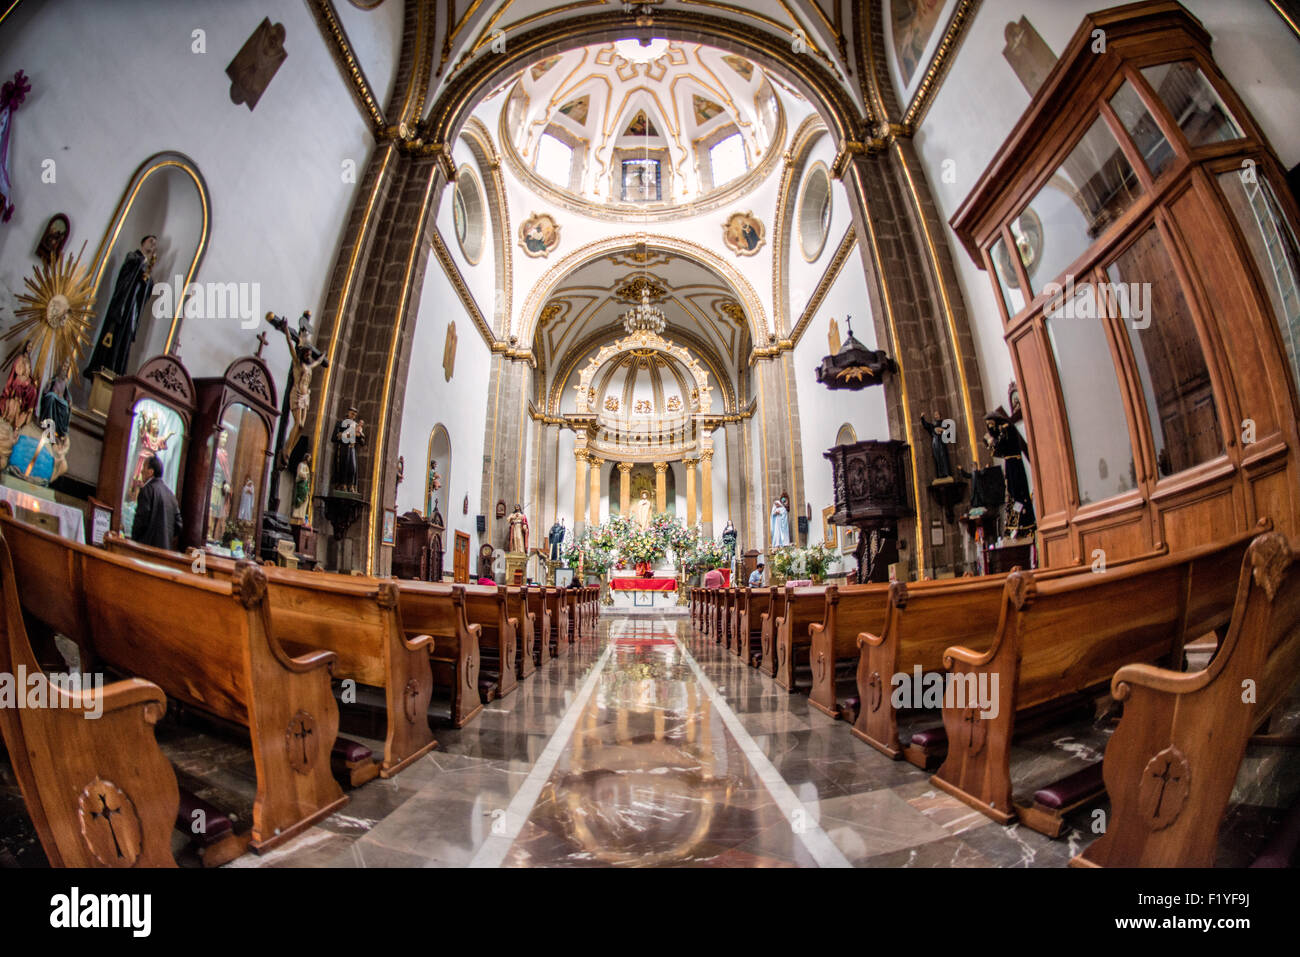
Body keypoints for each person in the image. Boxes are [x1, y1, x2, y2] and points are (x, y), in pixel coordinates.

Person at [85, 235, 157, 378]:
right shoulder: (134, 257)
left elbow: (146, 292)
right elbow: (126, 277)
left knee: (123, 343)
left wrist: (147, 281)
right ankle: (104, 368)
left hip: (132, 311)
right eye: (151, 241)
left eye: (155, 244)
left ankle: (117, 372)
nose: (153, 245)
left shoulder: (145, 266)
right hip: (121, 307)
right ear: (143, 242)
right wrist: (143, 266)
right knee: (112, 342)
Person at [132, 454, 182, 550]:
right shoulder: (171, 495)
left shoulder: (147, 490)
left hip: (146, 548)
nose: (142, 471)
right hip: (164, 551)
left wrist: (134, 540)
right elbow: (178, 525)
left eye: (144, 467)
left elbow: (141, 519)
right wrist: (165, 537)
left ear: (151, 472)